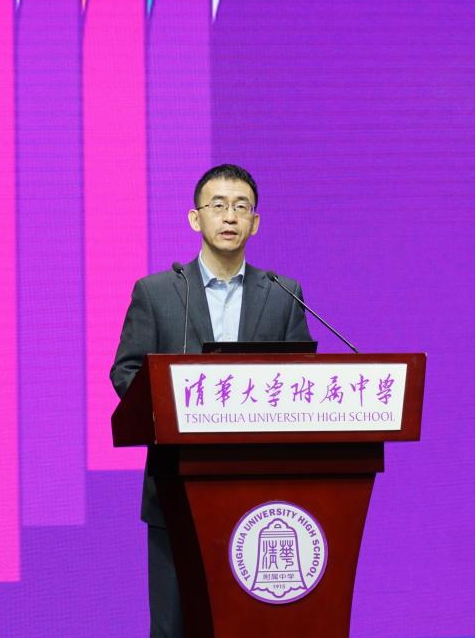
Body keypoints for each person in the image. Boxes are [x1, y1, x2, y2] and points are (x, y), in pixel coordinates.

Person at [109, 164, 312, 637]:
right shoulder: (157, 293)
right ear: (195, 218)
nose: (230, 217)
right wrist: (174, 413)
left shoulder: (283, 294)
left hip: (259, 492)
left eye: (241, 207)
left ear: (255, 223)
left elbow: (302, 380)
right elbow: (126, 371)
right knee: (174, 627)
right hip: (175, 487)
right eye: (217, 205)